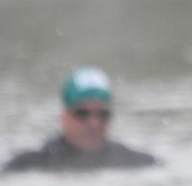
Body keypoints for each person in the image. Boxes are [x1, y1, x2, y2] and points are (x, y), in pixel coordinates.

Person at [3, 67, 157, 173]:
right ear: (64, 117)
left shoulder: (138, 162)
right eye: (82, 114)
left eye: (103, 114)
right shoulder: (30, 165)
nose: (94, 123)